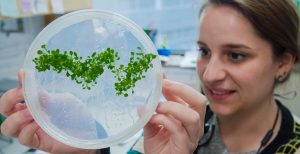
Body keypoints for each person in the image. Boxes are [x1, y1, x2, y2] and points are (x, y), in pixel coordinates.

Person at [0, 0, 300, 154]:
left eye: (236, 55)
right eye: (204, 51)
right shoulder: (166, 133)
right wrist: (85, 147)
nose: (209, 73)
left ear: (283, 63)